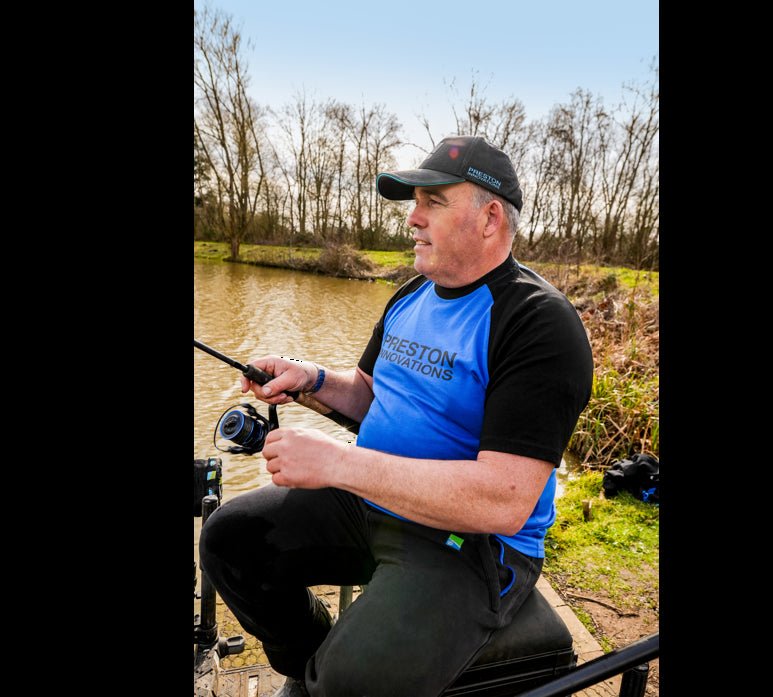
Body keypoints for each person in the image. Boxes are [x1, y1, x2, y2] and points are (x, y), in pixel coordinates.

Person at [199, 135, 594, 697]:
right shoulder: (412, 294)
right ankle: (307, 661)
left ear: (488, 218)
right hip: (370, 500)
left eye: (433, 202)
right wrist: (308, 379)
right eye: (414, 203)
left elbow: (504, 501)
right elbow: (367, 395)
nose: (413, 219)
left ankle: (328, 679)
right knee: (228, 540)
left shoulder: (539, 323)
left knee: (351, 682)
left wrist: (337, 465)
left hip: (469, 543)